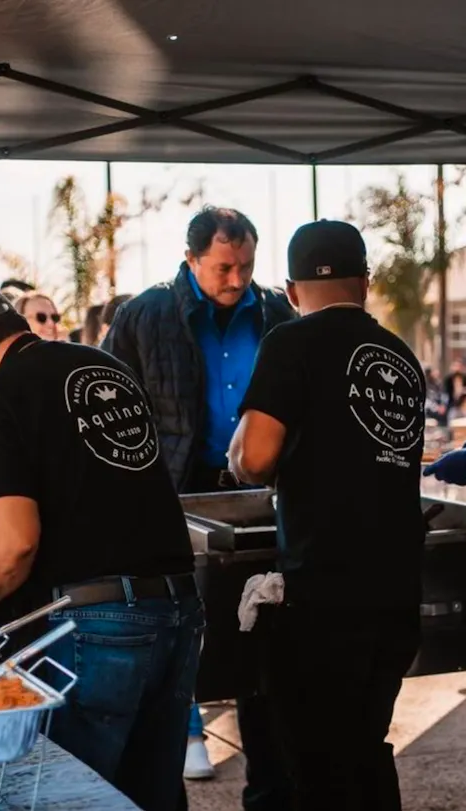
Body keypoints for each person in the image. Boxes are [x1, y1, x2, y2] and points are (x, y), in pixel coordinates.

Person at [0, 286, 203, 811]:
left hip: (93, 626)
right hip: (178, 609)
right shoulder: (105, 367)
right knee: (151, 794)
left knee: (69, 797)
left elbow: (10, 546)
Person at [229, 219, 425, 811]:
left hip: (324, 597)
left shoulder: (289, 343)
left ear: (291, 291)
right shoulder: (400, 356)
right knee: (365, 749)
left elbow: (255, 458)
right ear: (365, 282)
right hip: (396, 594)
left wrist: (238, 457)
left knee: (318, 768)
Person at [103, 206, 294, 807]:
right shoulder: (144, 314)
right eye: (223, 268)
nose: (237, 280)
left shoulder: (276, 311)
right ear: (190, 259)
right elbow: (107, 408)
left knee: (262, 634)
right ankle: (183, 742)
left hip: (261, 492)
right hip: (172, 493)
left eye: (246, 266)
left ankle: (269, 784)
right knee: (176, 632)